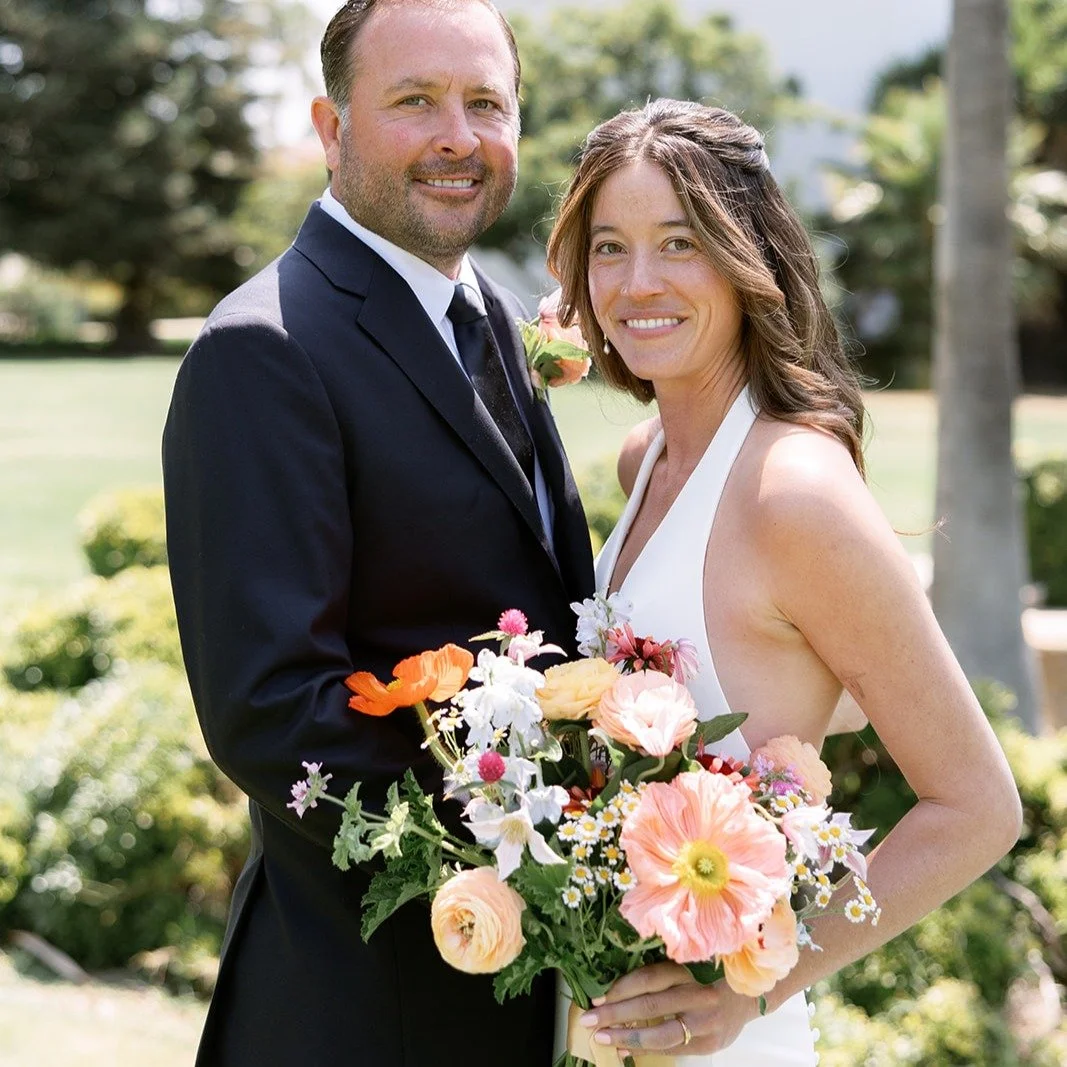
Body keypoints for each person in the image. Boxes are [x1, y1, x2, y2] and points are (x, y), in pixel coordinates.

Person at [544, 98, 1022, 1063]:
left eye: (679, 243)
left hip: (725, 1042)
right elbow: (800, 688)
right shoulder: (647, 461)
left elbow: (976, 806)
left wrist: (754, 992)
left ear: (743, 255)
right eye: (608, 248)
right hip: (605, 1019)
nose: (637, 283)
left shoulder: (792, 490)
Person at [162, 2, 594, 1064]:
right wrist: (531, 841)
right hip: (359, 1004)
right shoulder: (262, 350)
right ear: (329, 126)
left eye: (485, 102)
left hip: (503, 995)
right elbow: (271, 709)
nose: (458, 135)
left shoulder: (490, 314)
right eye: (414, 101)